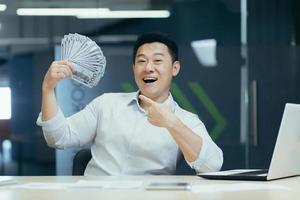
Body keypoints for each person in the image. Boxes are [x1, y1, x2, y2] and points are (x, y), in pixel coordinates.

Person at [36, 32, 223, 175]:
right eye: (142, 61)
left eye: (157, 60)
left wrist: (172, 123)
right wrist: (47, 89)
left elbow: (211, 165)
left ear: (175, 68)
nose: (148, 67)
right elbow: (58, 138)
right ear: (134, 68)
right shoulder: (106, 104)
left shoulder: (186, 120)